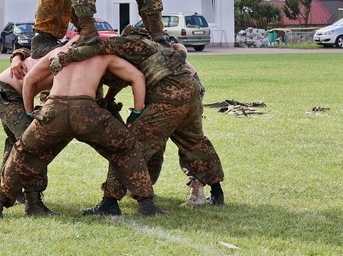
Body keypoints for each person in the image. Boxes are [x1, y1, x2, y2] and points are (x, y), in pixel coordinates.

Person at [50, 26, 225, 213]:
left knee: (129, 146)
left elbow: (99, 47)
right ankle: (216, 192)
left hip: (168, 97)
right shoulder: (156, 46)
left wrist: (66, 56)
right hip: (191, 93)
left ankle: (110, 201)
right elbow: (123, 80)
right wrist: (109, 99)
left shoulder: (129, 43)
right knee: (195, 142)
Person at [0, 45, 166, 217]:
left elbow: (30, 79)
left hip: (54, 111)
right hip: (86, 112)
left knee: (24, 151)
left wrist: (30, 113)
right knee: (126, 147)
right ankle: (144, 203)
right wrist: (136, 112)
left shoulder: (59, 51)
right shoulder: (103, 53)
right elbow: (137, 76)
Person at [0, 52, 53, 212]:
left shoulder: (66, 53)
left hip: (7, 96)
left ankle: (17, 194)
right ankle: (32, 201)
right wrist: (17, 56)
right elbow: (32, 50)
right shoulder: (63, 52)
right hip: (6, 96)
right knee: (34, 144)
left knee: (16, 145)